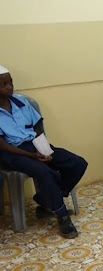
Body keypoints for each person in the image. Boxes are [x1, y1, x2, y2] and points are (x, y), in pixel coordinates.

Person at [0, 65, 88, 239]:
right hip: (12, 153)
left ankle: (45, 199)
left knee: (77, 163)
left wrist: (43, 147)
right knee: (45, 172)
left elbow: (37, 126)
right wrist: (33, 156)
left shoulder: (21, 103)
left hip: (34, 145)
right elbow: (3, 145)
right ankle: (62, 215)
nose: (10, 86)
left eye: (11, 82)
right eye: (4, 84)